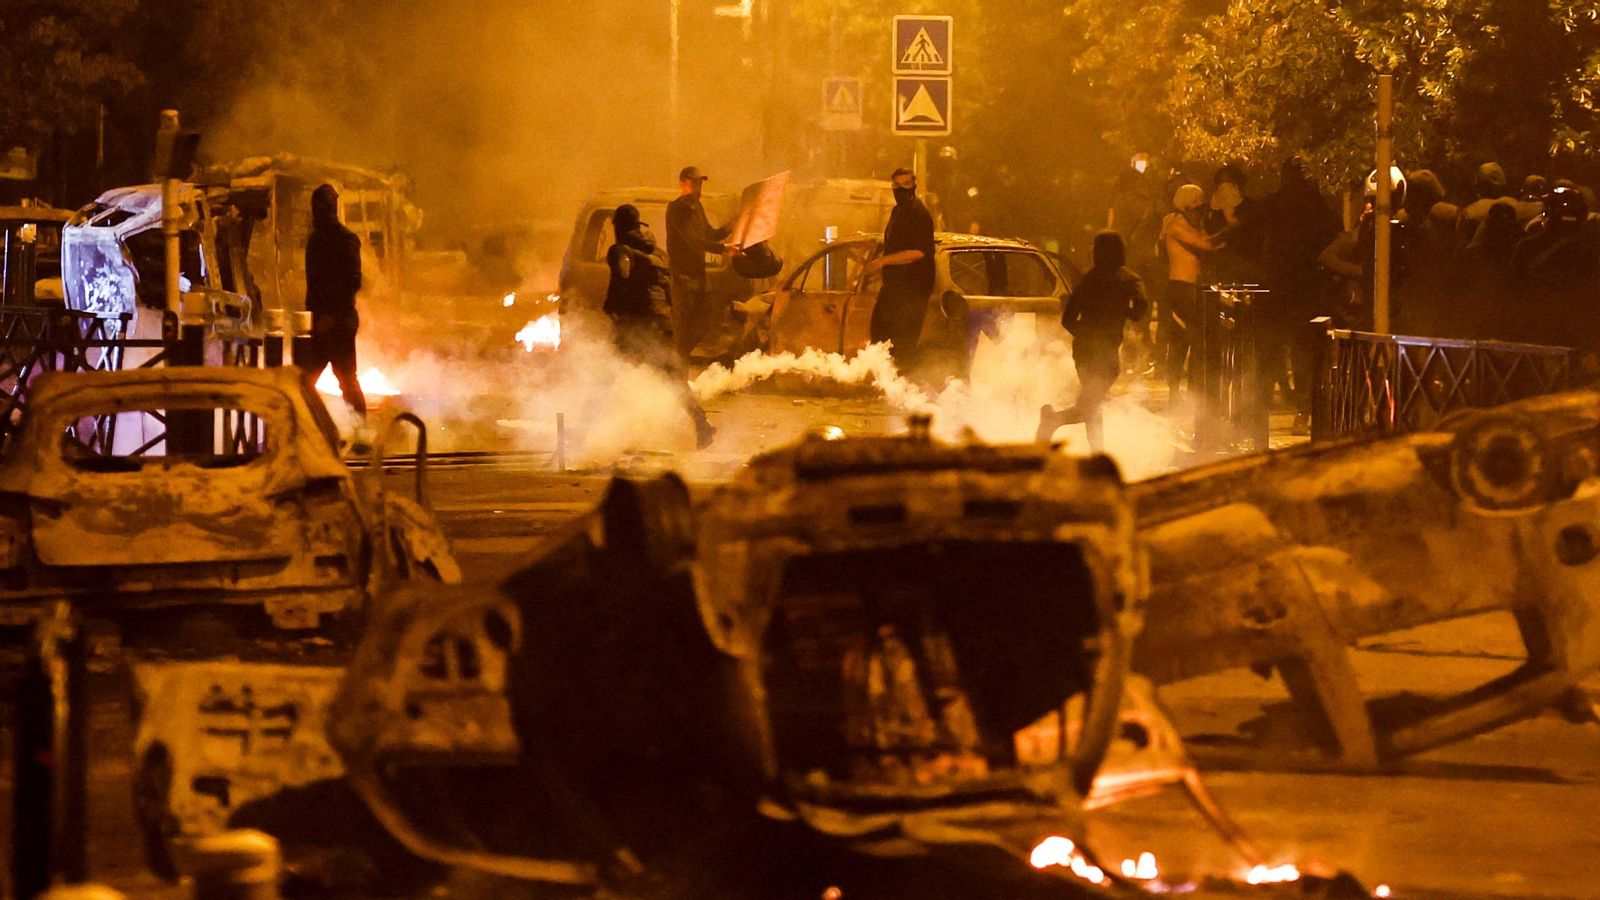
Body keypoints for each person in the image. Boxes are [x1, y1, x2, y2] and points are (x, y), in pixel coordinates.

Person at [604, 204, 716, 449]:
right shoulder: (660, 254)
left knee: (608, 375)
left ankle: (584, 434)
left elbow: (621, 278)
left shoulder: (620, 250)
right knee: (672, 378)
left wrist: (614, 310)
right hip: (662, 323)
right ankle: (702, 424)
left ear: (619, 227)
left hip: (638, 326)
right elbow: (668, 291)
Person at [1036, 230, 1149, 452]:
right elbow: (1139, 310)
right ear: (1121, 251)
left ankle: (1094, 449)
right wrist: (1122, 311)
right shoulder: (1131, 279)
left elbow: (1068, 319)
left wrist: (1087, 334)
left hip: (1084, 350)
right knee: (1092, 404)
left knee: (1092, 403)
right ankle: (1056, 422)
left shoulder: (1088, 279)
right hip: (1106, 352)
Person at [300, 183, 366, 417]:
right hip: (321, 322)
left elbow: (352, 281)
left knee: (344, 380)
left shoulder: (344, 240)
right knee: (306, 383)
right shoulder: (316, 241)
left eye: (321, 208)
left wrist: (330, 315)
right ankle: (319, 430)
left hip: (338, 323)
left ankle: (360, 434)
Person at [865, 167, 936, 367]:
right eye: (896, 185)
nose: (900, 189)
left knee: (901, 345)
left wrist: (881, 262)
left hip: (912, 290)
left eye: (905, 184)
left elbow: (918, 252)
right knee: (880, 338)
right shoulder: (899, 211)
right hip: (895, 288)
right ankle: (886, 383)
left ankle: (902, 386)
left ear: (914, 185)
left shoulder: (918, 213)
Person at [664, 165, 734, 361]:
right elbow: (692, 240)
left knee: (704, 323)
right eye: (694, 183)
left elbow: (710, 234)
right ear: (683, 184)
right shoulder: (676, 209)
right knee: (683, 330)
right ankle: (679, 370)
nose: (698, 187)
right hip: (683, 280)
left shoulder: (697, 208)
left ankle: (681, 357)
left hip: (698, 277)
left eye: (700, 183)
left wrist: (732, 226)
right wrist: (723, 249)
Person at [1158, 184, 1218, 400]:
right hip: (1181, 288)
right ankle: (1174, 391)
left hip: (1195, 288)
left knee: (1197, 339)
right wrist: (1231, 228)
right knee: (1180, 341)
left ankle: (1194, 389)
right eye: (1198, 205)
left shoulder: (1195, 224)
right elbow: (1204, 245)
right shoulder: (1175, 225)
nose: (1201, 210)